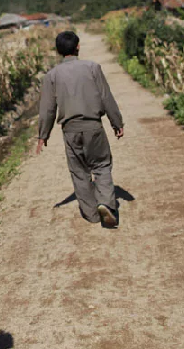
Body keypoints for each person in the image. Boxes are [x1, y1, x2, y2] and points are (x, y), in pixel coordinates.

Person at [36, 31, 124, 227]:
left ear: (58, 51)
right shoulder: (92, 68)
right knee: (101, 165)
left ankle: (92, 214)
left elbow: (47, 109)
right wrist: (116, 122)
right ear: (78, 47)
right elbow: (106, 97)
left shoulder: (51, 76)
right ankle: (106, 204)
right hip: (93, 126)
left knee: (79, 171)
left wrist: (43, 135)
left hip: (70, 130)